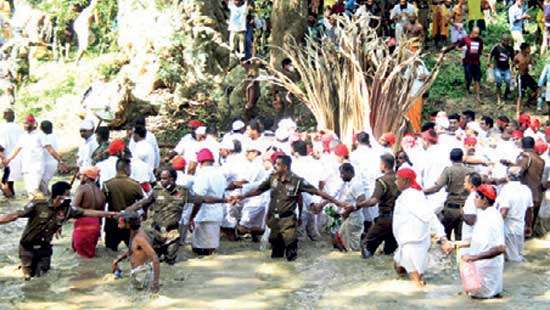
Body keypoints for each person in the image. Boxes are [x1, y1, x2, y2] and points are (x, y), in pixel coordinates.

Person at [231, 155, 349, 261]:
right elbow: (258, 191)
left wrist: (337, 202)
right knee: (275, 254)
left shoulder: (297, 181)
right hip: (274, 221)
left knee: (291, 255)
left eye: (278, 164)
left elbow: (317, 192)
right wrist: (241, 197)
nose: (275, 167)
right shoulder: (272, 178)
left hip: (288, 222)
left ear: (285, 167)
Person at [0, 181, 117, 280]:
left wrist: (110, 214)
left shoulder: (67, 210)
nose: (68, 198)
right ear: (57, 196)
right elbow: (14, 216)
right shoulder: (38, 205)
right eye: (66, 195)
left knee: (42, 278)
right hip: (27, 247)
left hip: (45, 248)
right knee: (28, 278)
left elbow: (86, 212)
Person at [127, 168, 224, 264]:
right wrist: (125, 211)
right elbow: (143, 203)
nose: (161, 181)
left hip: (172, 234)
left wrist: (224, 200)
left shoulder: (183, 192)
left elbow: (203, 199)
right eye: (161, 178)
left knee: (170, 261)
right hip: (156, 233)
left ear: (172, 179)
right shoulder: (157, 191)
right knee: (153, 260)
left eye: (164, 178)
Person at [393, 168, 452, 287]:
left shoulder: (412, 196)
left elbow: (430, 217)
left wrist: (443, 238)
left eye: (397, 179)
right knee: (398, 267)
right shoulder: (409, 194)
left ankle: (421, 295)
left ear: (405, 181)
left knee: (417, 281)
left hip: (413, 243)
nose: (395, 182)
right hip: (407, 242)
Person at [459, 184, 505, 299]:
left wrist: (474, 257)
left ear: (484, 200)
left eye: (476, 197)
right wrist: (456, 244)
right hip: (481, 268)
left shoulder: (493, 217)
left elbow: (501, 248)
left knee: (482, 300)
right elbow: (478, 241)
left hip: (487, 269)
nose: (474, 199)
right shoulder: (484, 214)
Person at [3, 115, 65, 197]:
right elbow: (16, 150)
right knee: (32, 191)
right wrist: (8, 159)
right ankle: (43, 206)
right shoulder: (23, 136)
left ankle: (40, 206)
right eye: (24, 123)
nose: (25, 125)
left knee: (33, 191)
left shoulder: (40, 135)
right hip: (26, 168)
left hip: (36, 168)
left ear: (33, 124)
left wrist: (60, 161)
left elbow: (50, 149)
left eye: (27, 123)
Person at [353, 153, 399, 258]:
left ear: (383, 165)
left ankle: (366, 270)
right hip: (398, 220)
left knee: (366, 244)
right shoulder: (400, 178)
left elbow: (373, 201)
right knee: (390, 249)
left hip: (385, 219)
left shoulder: (381, 181)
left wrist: (358, 205)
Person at [424, 148, 472, 240]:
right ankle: (459, 254)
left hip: (450, 209)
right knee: (460, 238)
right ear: (462, 158)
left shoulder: (449, 171)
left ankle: (448, 253)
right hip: (465, 209)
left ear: (450, 158)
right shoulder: (469, 171)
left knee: (446, 236)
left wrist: (422, 192)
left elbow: (436, 188)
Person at [318, 163, 365, 251]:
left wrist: (350, 209)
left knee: (353, 248)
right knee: (339, 240)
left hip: (354, 220)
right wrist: (321, 204)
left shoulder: (356, 184)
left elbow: (362, 200)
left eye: (342, 173)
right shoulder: (345, 183)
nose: (340, 176)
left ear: (349, 172)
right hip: (345, 218)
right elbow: (333, 195)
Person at [190, 149, 227, 255]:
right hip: (217, 214)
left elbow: (198, 199)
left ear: (200, 162)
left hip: (204, 216)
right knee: (211, 249)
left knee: (199, 251)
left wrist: (191, 217)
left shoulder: (202, 175)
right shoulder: (220, 174)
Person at [111, 211, 160, 292]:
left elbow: (155, 258)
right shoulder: (133, 233)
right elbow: (132, 250)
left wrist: (156, 283)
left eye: (120, 222)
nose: (118, 225)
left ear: (128, 223)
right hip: (138, 272)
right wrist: (118, 260)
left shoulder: (139, 238)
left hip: (143, 273)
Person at [102, 158, 144, 251]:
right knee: (134, 251)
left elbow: (102, 204)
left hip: (112, 224)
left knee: (110, 252)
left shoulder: (107, 185)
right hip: (129, 224)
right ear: (126, 168)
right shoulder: (135, 185)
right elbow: (143, 202)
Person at [496, 166, 533, 262]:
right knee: (518, 254)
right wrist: (528, 226)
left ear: (508, 176)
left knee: (511, 259)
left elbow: (504, 211)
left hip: (508, 228)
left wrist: (493, 226)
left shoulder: (506, 189)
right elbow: (529, 211)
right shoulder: (526, 189)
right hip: (520, 228)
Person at [72, 166, 105, 258]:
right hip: (96, 224)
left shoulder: (82, 188)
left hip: (83, 225)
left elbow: (73, 208)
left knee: (82, 258)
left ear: (86, 177)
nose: (79, 177)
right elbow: (101, 214)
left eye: (81, 175)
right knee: (90, 254)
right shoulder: (100, 191)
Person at [515, 137, 544, 235]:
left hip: (525, 195)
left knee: (520, 227)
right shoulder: (540, 159)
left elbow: (517, 172)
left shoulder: (525, 156)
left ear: (522, 145)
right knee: (529, 227)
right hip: (537, 195)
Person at [451, 27, 483, 103]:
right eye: (475, 33)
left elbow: (480, 50)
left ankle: (478, 96)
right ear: (471, 32)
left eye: (478, 33)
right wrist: (462, 49)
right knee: (468, 77)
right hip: (467, 62)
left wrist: (482, 54)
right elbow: (457, 47)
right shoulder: (466, 39)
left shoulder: (480, 40)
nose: (477, 35)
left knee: (477, 79)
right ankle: (467, 87)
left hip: (476, 62)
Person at [0, 108, 23, 197]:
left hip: (5, 157)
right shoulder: (20, 128)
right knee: (9, 182)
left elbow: (1, 146)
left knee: (5, 183)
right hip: (16, 157)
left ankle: (9, 197)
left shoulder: (2, 128)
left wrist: (2, 157)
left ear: (5, 116)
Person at [488, 34, 514, 104]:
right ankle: (498, 98)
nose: (506, 42)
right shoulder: (497, 47)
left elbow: (512, 59)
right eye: (505, 40)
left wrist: (512, 68)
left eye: (507, 41)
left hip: (506, 68)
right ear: (501, 40)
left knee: (508, 81)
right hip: (497, 68)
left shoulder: (510, 48)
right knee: (498, 82)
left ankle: (506, 94)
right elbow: (490, 54)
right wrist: (489, 62)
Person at [39, 120, 61, 194]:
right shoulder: (54, 136)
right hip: (53, 163)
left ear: (41, 128)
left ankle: (46, 200)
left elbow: (51, 151)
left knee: (42, 185)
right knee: (45, 183)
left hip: (46, 163)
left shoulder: (43, 137)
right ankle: (48, 196)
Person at [461, 172, 482, 242]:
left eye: (465, 182)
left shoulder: (472, 198)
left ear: (471, 186)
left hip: (470, 237)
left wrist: (461, 214)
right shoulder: (480, 196)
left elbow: (471, 220)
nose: (464, 184)